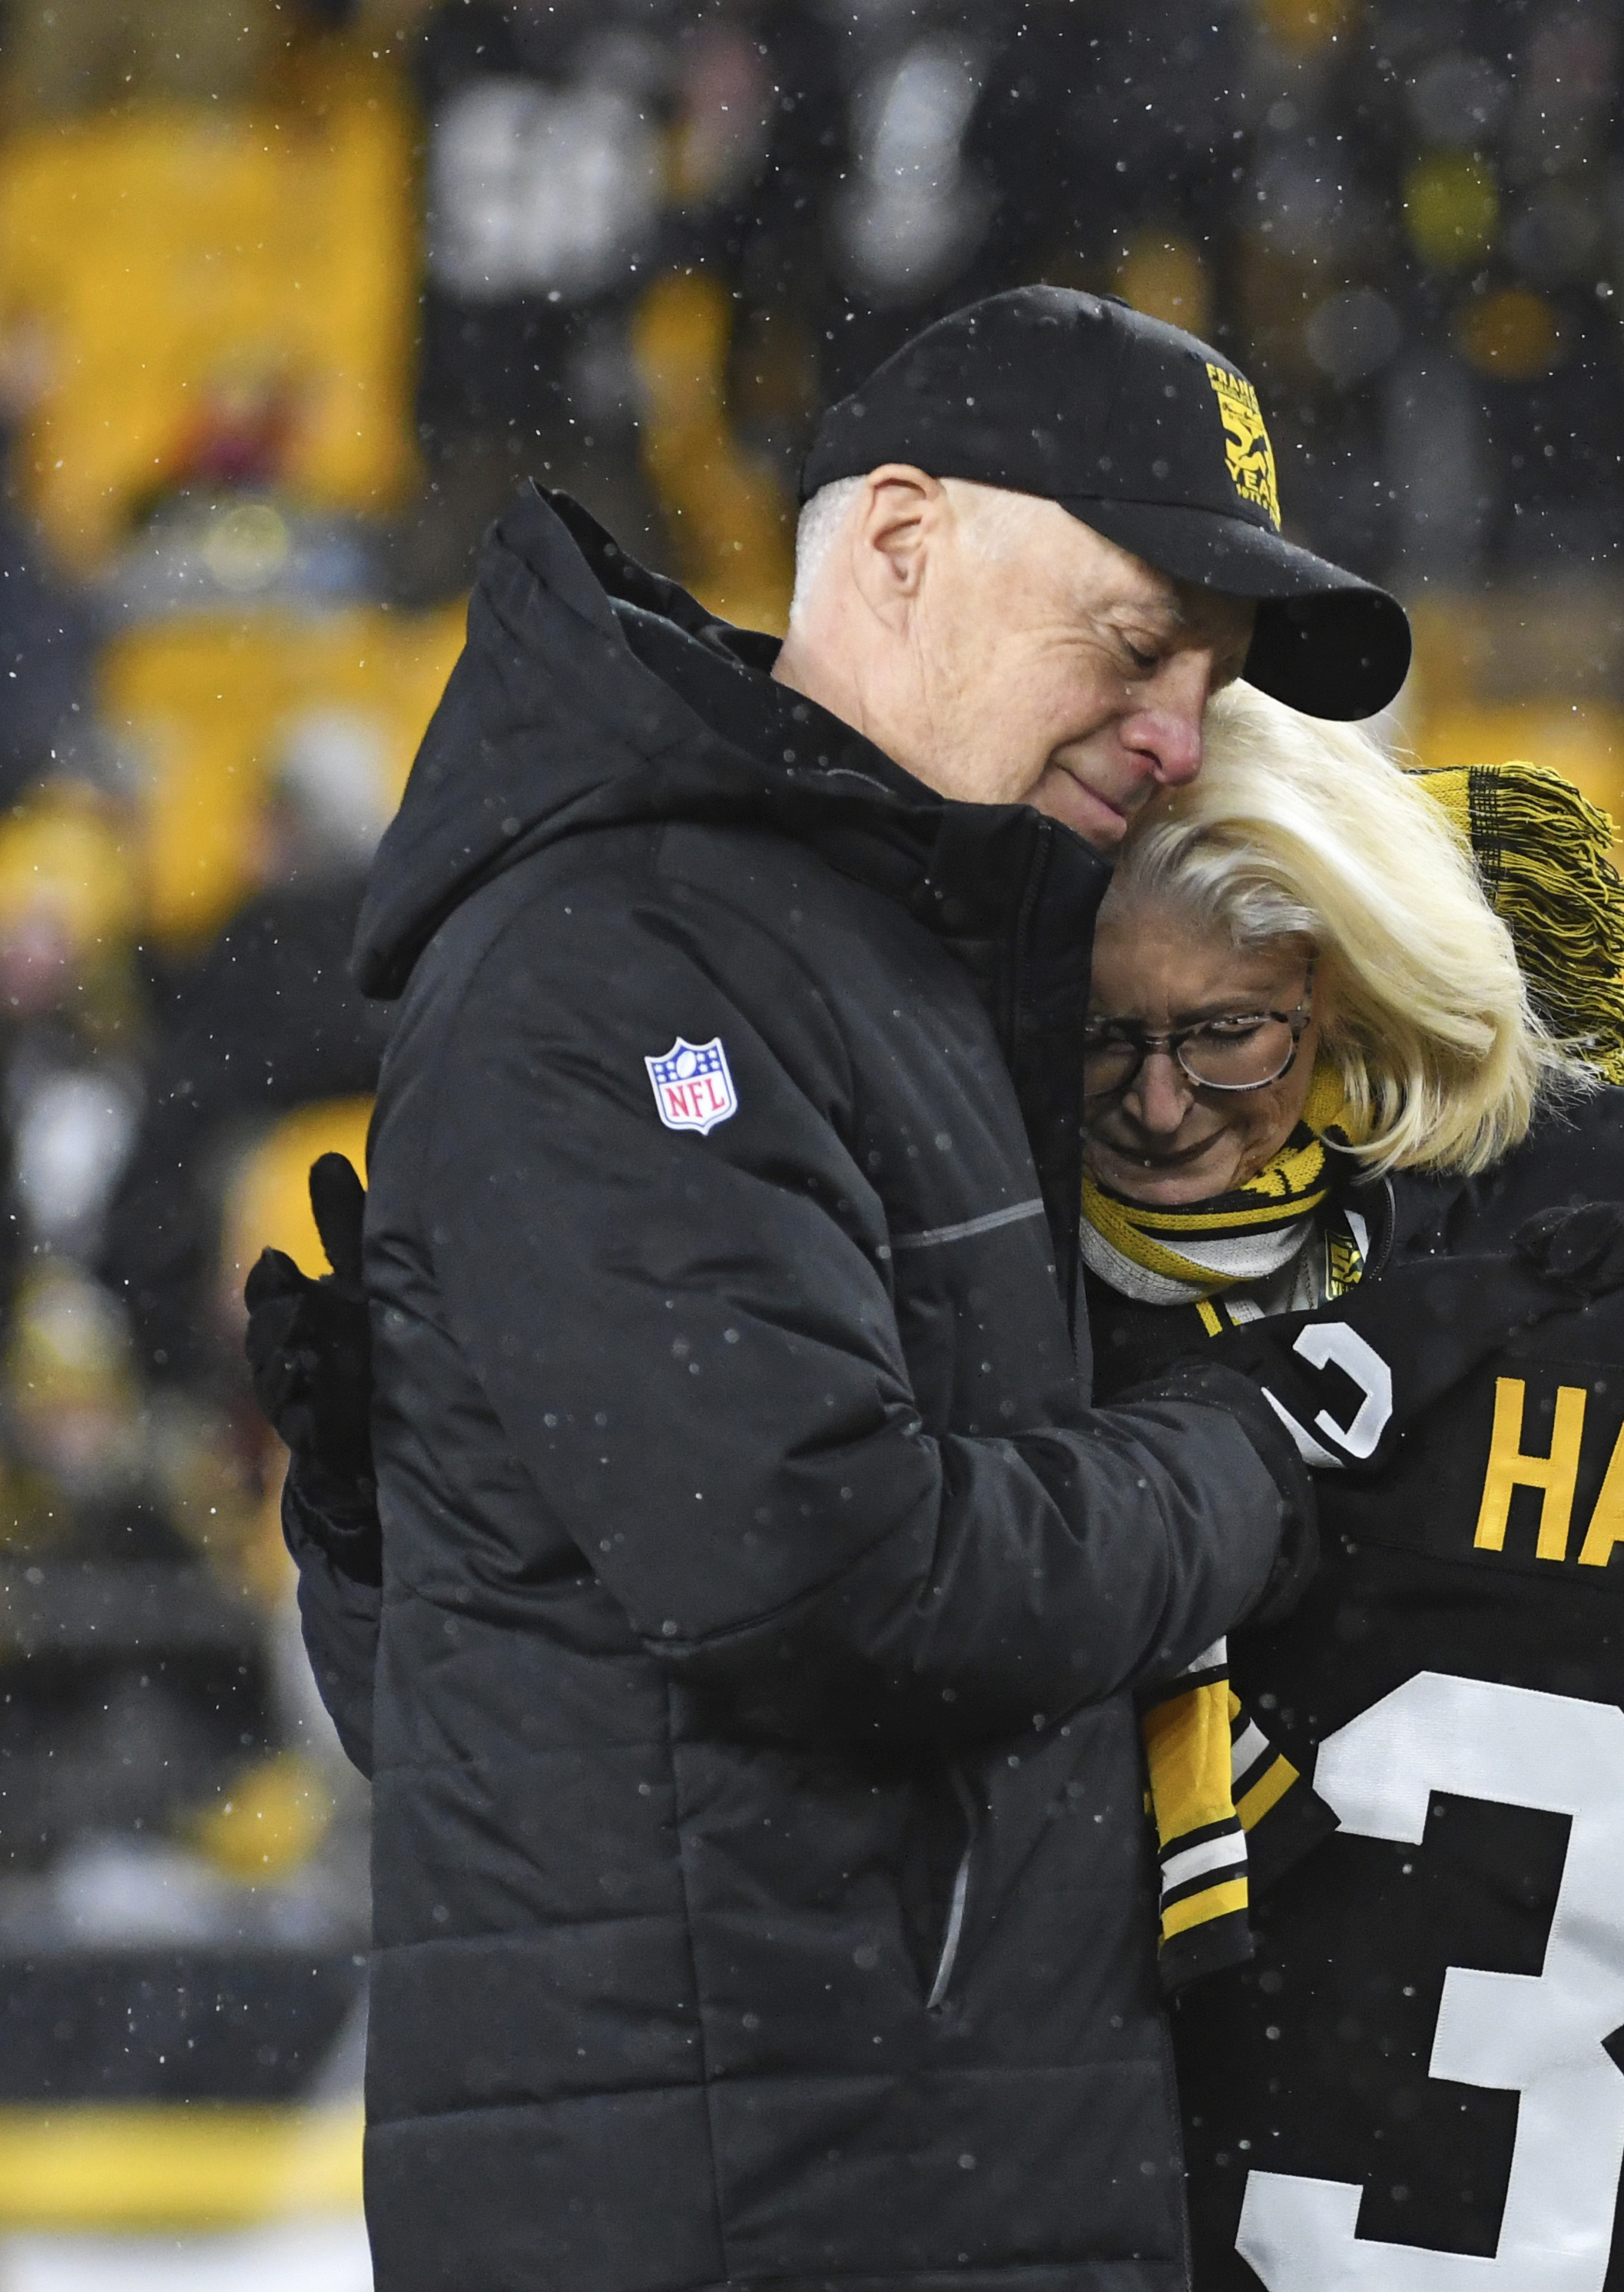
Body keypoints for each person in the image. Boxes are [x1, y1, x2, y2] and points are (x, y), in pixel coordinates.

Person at [247, 287, 1409, 2291]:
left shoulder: (896, 943)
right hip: (771, 2209)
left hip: (897, 2167)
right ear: (897, 542)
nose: (1176, 734)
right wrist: (1254, 1451)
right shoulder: (625, 962)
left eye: (1211, 687)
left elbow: (534, 1718)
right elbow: (817, 1569)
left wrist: (406, 1551)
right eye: (1137, 647)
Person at [1072, 680, 1624, 1401]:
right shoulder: (965, 1249)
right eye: (1100, 1037)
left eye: (1229, 1032)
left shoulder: (1615, 1179)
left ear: (1344, 992)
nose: (1158, 1107)